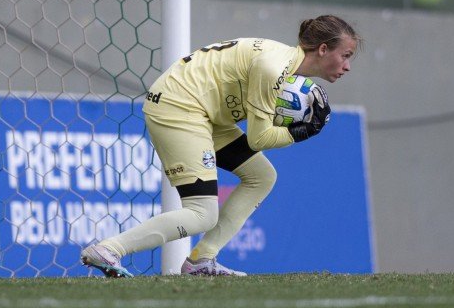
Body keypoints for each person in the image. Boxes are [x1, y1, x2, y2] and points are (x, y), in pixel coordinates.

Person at [81, 15, 361, 277]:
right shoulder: (273, 68)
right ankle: (108, 250)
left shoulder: (282, 64)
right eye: (345, 56)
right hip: (179, 107)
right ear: (323, 49)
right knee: (201, 214)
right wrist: (301, 133)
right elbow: (259, 138)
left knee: (261, 176)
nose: (348, 66)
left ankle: (202, 260)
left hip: (203, 113)